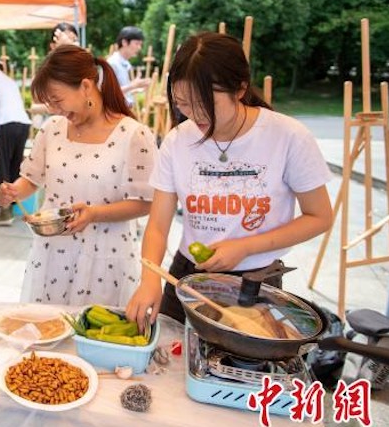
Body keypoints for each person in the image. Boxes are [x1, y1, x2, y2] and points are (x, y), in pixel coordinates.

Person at [125, 32, 333, 327]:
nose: (195, 114)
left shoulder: (288, 137)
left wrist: (246, 246)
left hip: (256, 279)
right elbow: (158, 225)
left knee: (240, 367)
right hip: (188, 273)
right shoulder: (177, 141)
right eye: (183, 103)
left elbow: (320, 217)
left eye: (204, 102)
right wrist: (150, 278)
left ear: (240, 89)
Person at [0, 45, 157, 306]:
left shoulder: (133, 134)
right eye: (49, 104)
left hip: (106, 259)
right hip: (52, 253)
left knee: (95, 336)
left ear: (85, 86)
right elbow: (32, 179)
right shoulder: (52, 129)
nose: (54, 110)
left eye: (57, 100)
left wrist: (94, 214)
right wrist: (12, 191)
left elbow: (147, 203)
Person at [0, 56, 32, 226]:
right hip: (23, 123)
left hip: (6, 123)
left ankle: (3, 211)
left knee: (1, 165)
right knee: (14, 166)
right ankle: (13, 209)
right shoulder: (9, 80)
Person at [106, 26, 151, 107]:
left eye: (140, 44)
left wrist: (138, 88)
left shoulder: (126, 64)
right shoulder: (112, 63)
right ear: (124, 42)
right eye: (137, 44)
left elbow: (123, 90)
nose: (139, 48)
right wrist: (133, 85)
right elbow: (109, 93)